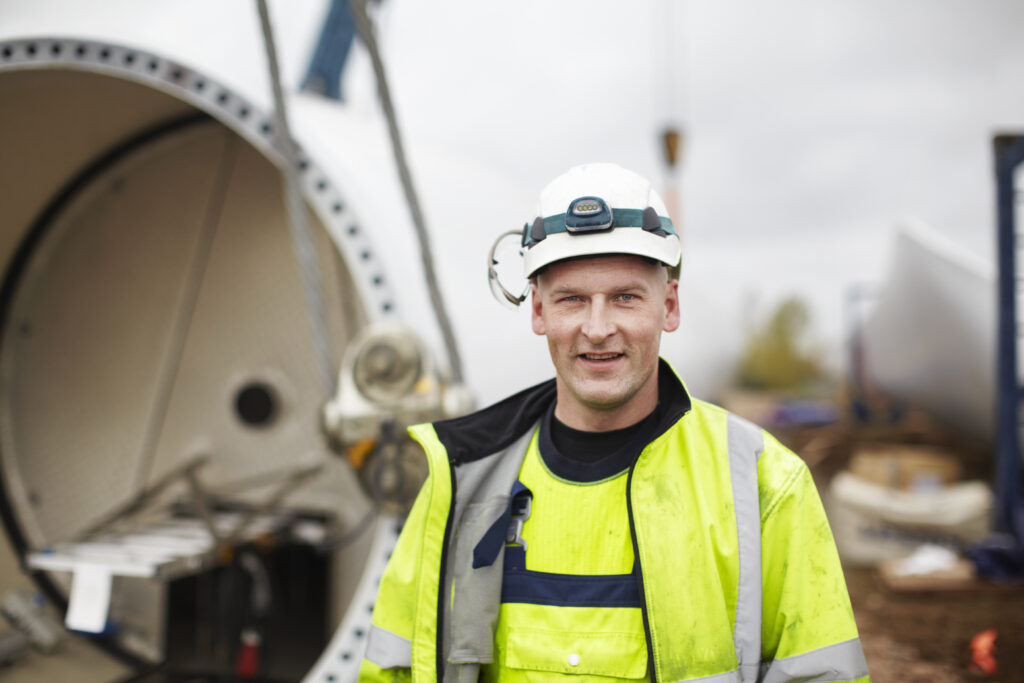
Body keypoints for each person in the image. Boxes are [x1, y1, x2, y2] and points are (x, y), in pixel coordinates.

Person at [359, 163, 869, 682]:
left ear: (668, 306)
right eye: (572, 299)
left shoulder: (762, 486)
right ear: (538, 311)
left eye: (625, 297)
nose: (598, 328)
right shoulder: (463, 482)